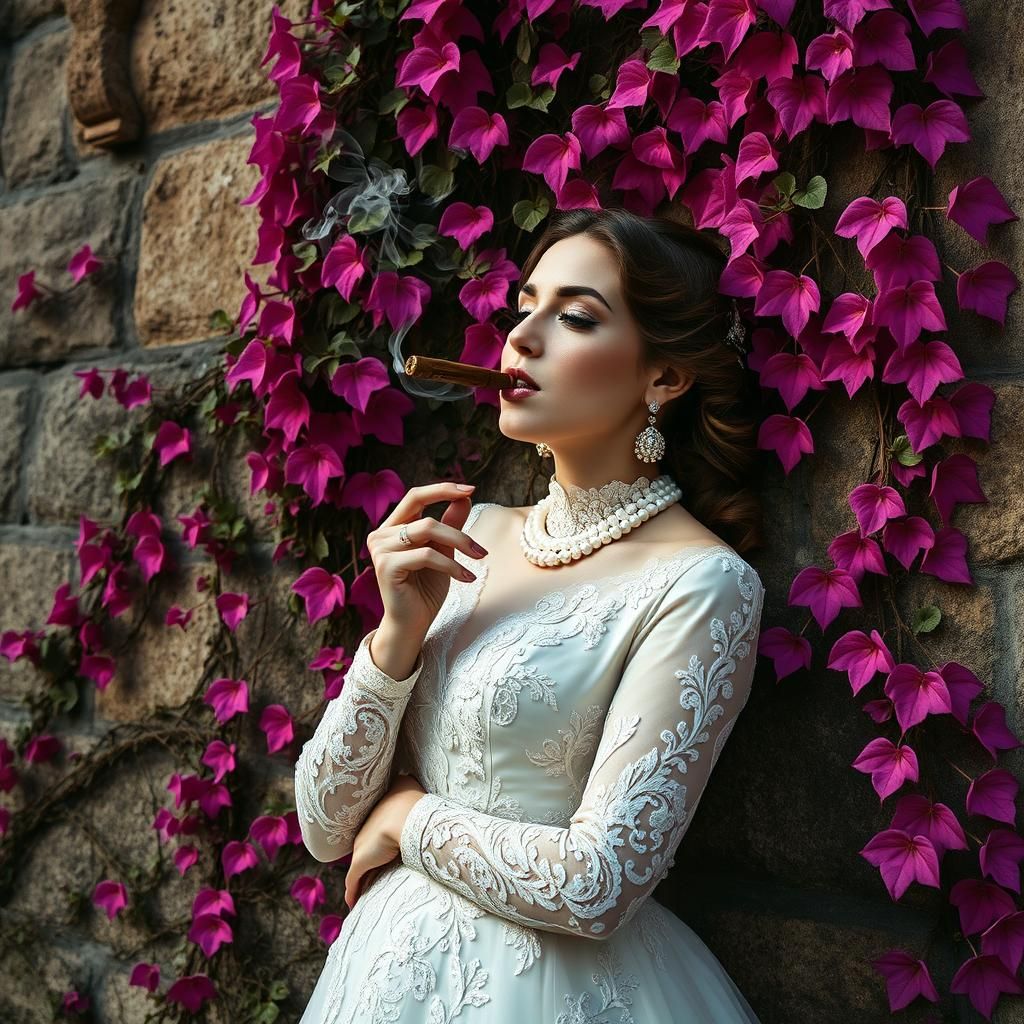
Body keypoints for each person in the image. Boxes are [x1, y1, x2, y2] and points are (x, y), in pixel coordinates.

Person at [294, 207, 767, 1022]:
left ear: (664, 377)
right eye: (524, 307)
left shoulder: (703, 583)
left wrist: (408, 817)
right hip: (383, 976)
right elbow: (325, 825)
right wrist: (396, 636)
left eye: (575, 317)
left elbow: (599, 882)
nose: (522, 338)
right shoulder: (471, 536)